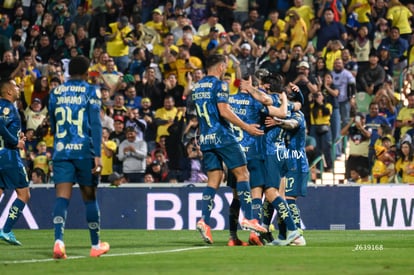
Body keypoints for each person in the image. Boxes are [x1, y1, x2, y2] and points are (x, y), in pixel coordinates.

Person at [193, 54, 266, 244]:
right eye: (225, 66)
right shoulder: (221, 85)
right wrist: (247, 127)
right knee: (243, 174)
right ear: (220, 66)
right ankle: (250, 219)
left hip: (206, 138)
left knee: (213, 180)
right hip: (222, 137)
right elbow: (224, 111)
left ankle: (204, 221)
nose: (226, 69)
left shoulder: (197, 87)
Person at [48, 56, 110, 259]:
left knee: (62, 198)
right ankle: (95, 245)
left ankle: (58, 241)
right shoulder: (90, 91)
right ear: (85, 73)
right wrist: (98, 156)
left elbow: (53, 122)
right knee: (89, 198)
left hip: (61, 150)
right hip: (84, 152)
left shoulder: (55, 92)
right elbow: (95, 124)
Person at [0, 80, 30, 245]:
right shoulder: (8, 108)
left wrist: (17, 136)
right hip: (9, 157)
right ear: (9, 91)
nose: (19, 88)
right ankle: (6, 230)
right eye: (16, 86)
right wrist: (15, 141)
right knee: (24, 194)